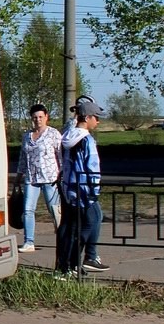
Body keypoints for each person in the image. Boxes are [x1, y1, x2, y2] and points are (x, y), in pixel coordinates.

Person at [56, 96, 110, 277]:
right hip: (84, 190)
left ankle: (68, 266)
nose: (98, 121)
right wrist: (94, 190)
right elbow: (92, 167)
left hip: (69, 188)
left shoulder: (67, 137)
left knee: (72, 226)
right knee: (91, 221)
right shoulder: (87, 140)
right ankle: (76, 262)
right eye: (96, 117)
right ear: (86, 118)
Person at [14, 103, 62, 253]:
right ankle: (29, 242)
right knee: (28, 210)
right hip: (31, 178)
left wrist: (62, 174)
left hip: (50, 178)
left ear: (46, 117)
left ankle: (62, 239)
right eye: (35, 117)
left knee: (55, 210)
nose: (38, 120)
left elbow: (61, 155)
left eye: (41, 117)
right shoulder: (27, 137)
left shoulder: (53, 134)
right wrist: (18, 177)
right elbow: (23, 158)